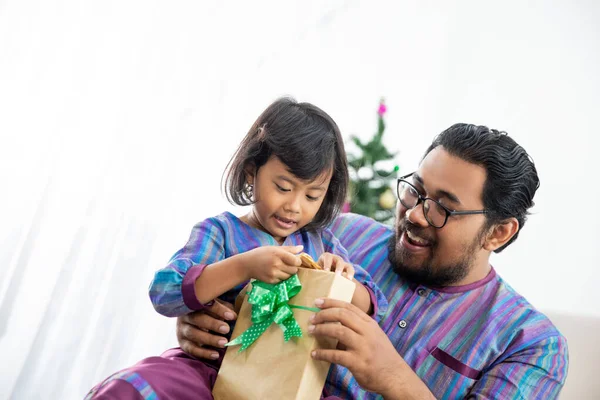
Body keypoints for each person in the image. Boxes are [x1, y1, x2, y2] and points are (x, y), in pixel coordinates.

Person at [176, 124, 569, 399]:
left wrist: (395, 379)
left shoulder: (531, 344)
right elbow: (234, 279)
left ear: (498, 233)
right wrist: (207, 320)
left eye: (442, 209)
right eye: (415, 190)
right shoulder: (341, 235)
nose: (415, 213)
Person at [85, 97, 387, 399]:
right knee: (130, 387)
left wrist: (343, 280)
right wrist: (243, 266)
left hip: (289, 383)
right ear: (250, 172)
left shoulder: (322, 243)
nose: (294, 206)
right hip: (211, 372)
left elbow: (376, 305)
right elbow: (165, 291)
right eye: (283, 187)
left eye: (312, 196)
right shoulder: (220, 232)